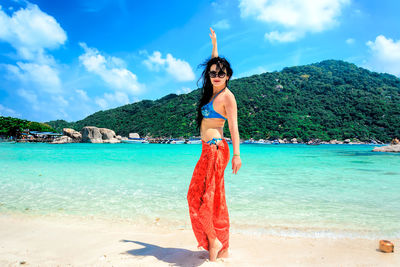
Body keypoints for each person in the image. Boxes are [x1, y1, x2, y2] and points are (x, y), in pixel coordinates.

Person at [187, 27, 242, 262]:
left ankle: (216, 242)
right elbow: (213, 62)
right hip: (205, 150)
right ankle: (215, 242)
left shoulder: (228, 97)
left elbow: (234, 127)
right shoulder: (211, 92)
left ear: (228, 75)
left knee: (210, 200)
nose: (216, 76)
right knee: (195, 197)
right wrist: (215, 45)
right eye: (212, 73)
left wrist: (237, 155)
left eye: (221, 73)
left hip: (217, 150)